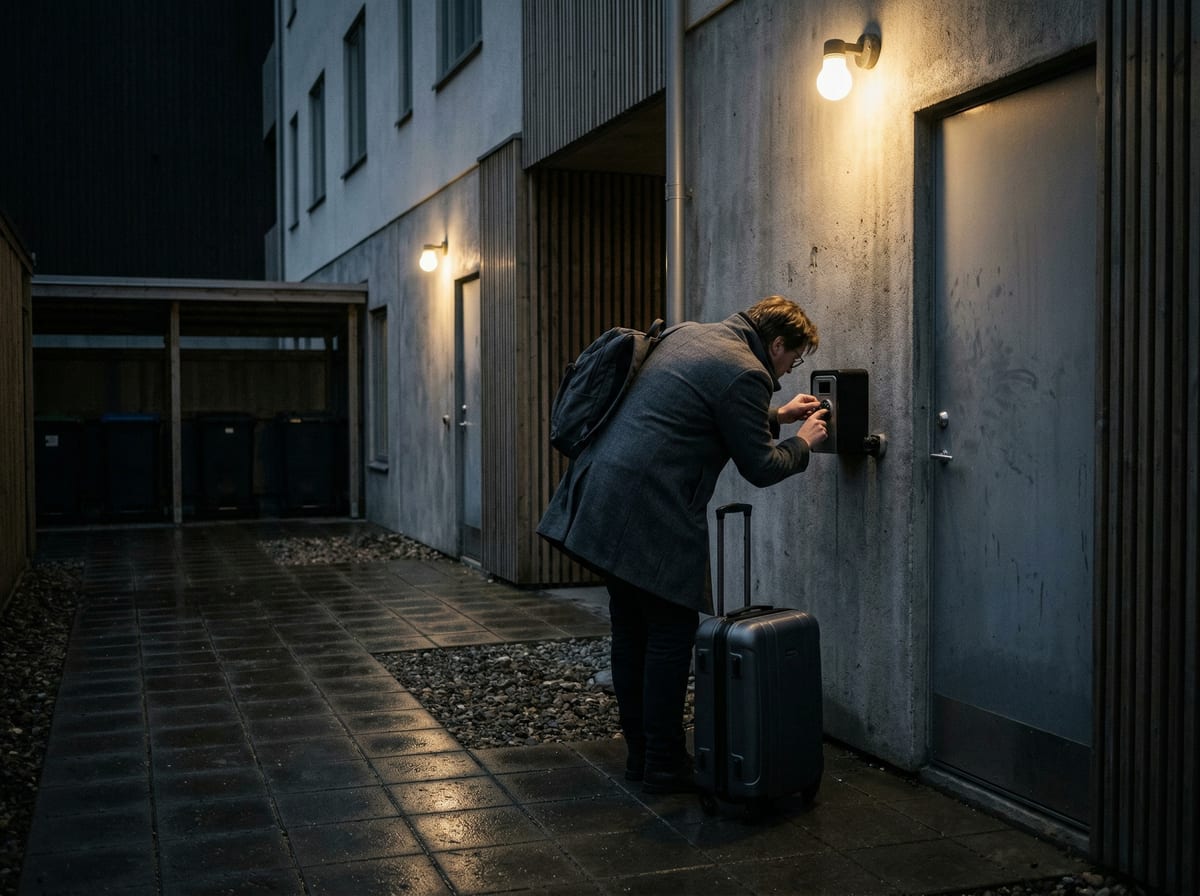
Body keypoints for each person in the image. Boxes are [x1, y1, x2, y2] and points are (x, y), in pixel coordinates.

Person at [537, 295, 829, 792]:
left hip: (603, 494)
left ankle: (642, 759)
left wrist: (776, 416)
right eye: (793, 359)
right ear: (777, 343)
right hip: (652, 512)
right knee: (671, 636)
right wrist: (804, 440)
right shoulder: (746, 372)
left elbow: (697, 408)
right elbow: (760, 467)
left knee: (631, 631)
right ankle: (666, 765)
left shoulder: (691, 333)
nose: (788, 368)